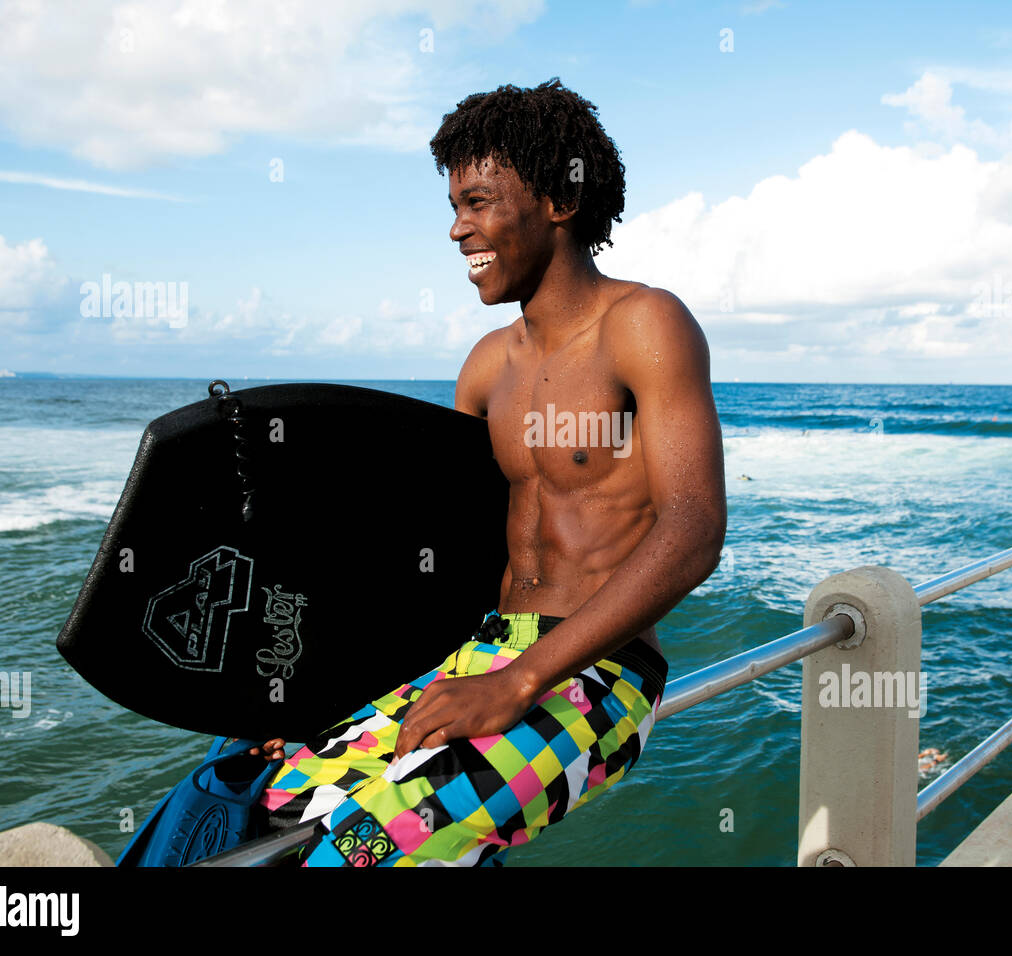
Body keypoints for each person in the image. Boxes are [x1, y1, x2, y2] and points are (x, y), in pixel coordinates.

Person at [248, 77, 727, 866]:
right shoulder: (485, 367)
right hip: (479, 651)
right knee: (277, 802)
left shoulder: (645, 325)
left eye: (477, 203)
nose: (456, 230)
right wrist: (322, 689)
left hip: (594, 673)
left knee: (353, 850)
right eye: (453, 207)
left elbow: (694, 531)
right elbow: (429, 555)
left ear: (557, 202)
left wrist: (519, 682)